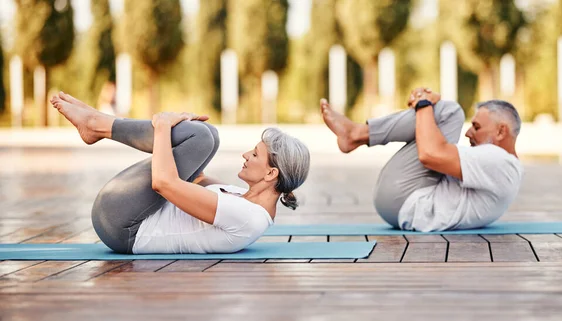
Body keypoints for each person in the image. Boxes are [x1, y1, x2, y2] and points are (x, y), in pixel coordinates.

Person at [50, 92, 310, 254]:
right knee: (209, 136)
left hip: (123, 228)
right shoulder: (243, 199)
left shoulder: (246, 216)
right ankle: (97, 122)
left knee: (199, 138)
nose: (245, 155)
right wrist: (189, 133)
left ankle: (96, 124)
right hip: (128, 216)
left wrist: (163, 126)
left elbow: (163, 183)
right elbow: (195, 177)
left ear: (270, 174)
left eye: (254, 154)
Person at [320, 88, 523, 231]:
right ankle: (357, 134)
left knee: (450, 112)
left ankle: (356, 134)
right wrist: (423, 107)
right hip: (403, 204)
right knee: (439, 114)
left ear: (501, 131)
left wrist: (424, 103)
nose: (468, 133)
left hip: (406, 200)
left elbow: (429, 154)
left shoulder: (500, 161)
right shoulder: (502, 167)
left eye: (477, 127)